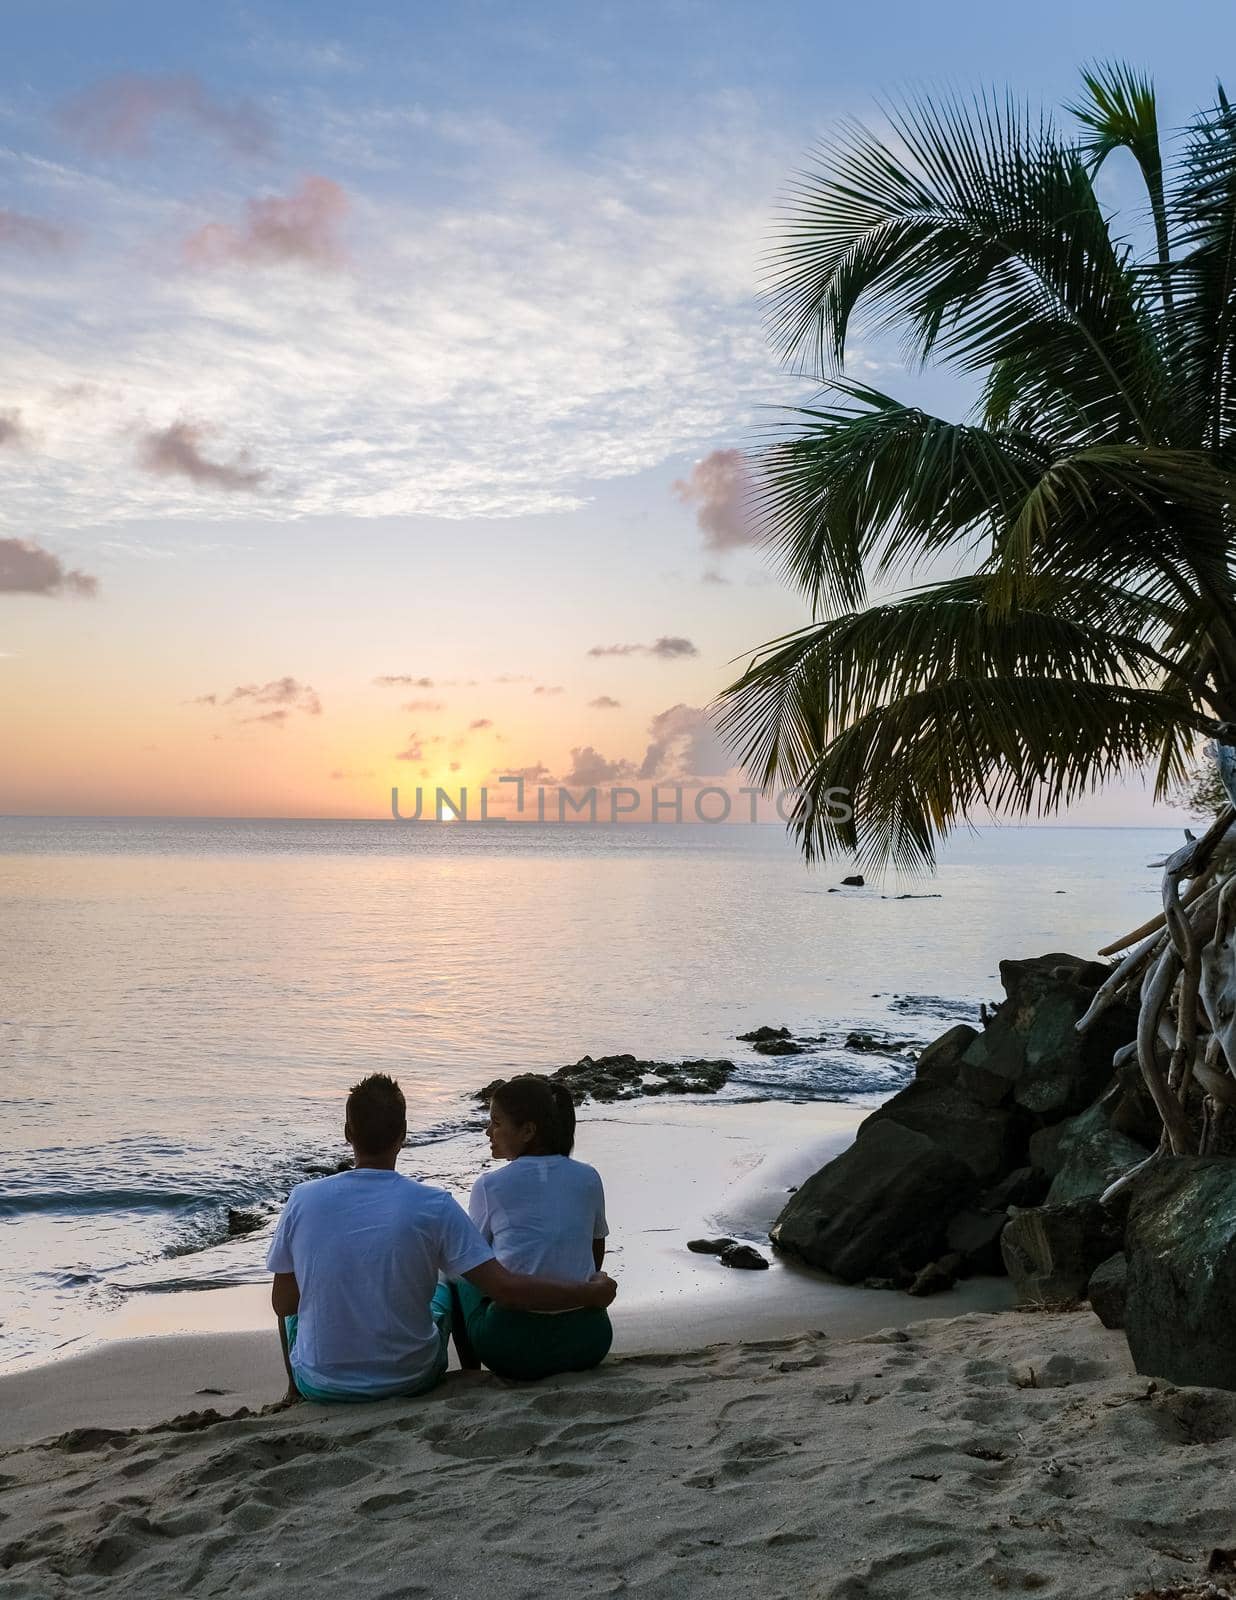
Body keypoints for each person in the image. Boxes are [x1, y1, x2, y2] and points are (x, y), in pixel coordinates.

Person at [267, 1073, 617, 1403]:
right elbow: (504, 1283)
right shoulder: (433, 1203)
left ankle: (292, 1393)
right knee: (448, 1278)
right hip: (412, 1376)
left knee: (297, 1296)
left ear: (347, 1133)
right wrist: (587, 1291)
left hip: (320, 1384)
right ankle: (466, 1371)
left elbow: (284, 1304)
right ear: (403, 1134)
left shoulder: (302, 1198)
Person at [449, 1075, 613, 1382]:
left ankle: (470, 1371)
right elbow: (594, 1250)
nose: (488, 1132)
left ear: (527, 1130)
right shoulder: (588, 1177)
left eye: (496, 1123)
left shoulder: (490, 1186)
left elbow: (473, 1261)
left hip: (513, 1347)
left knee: (455, 1275)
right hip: (590, 1339)